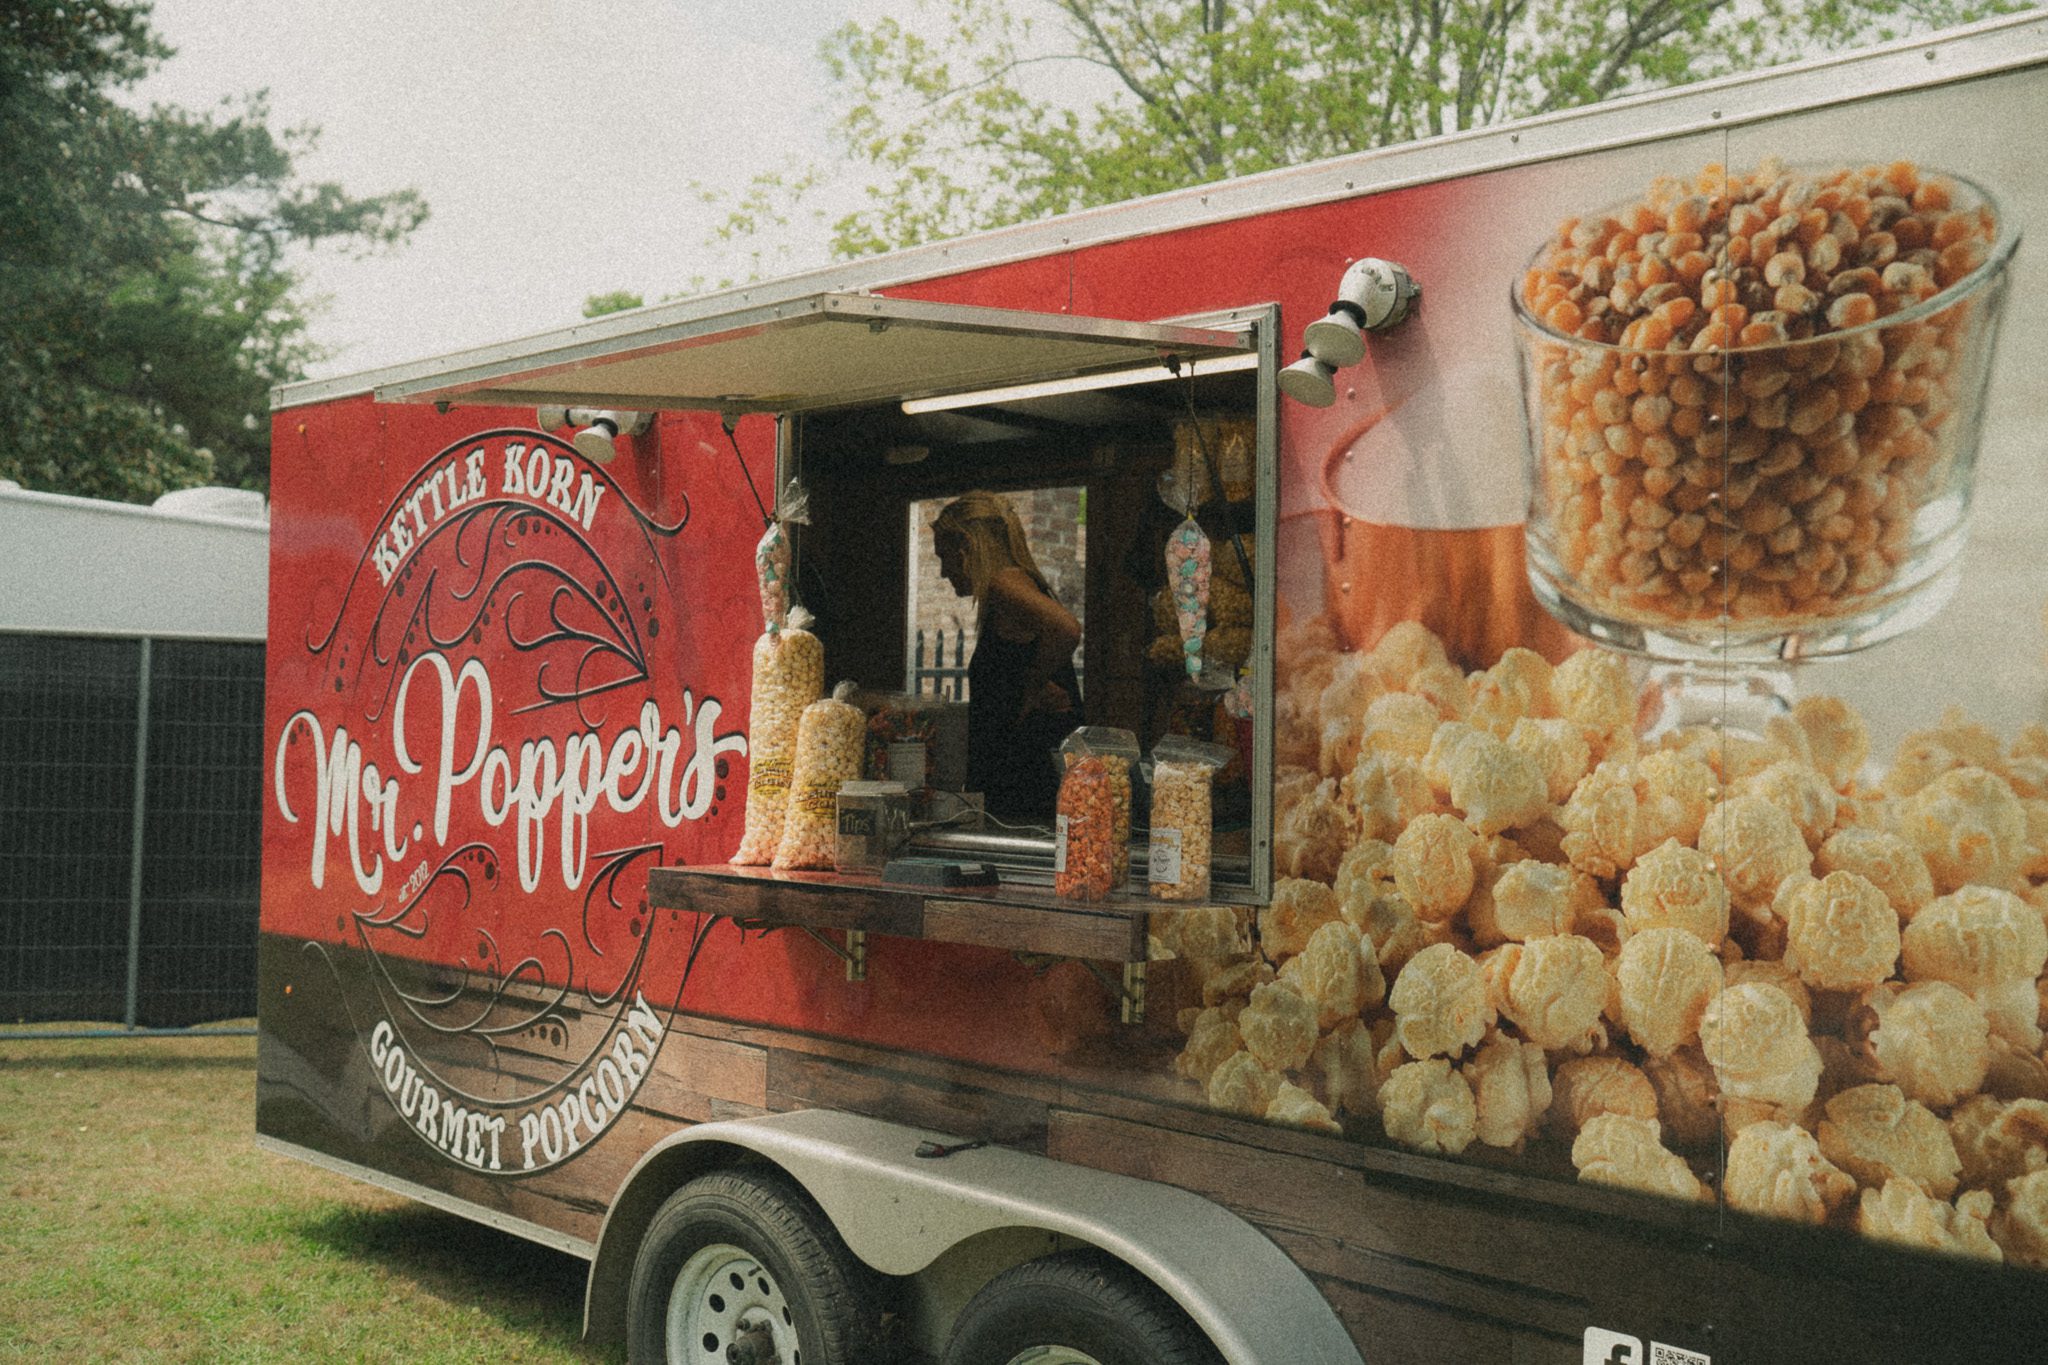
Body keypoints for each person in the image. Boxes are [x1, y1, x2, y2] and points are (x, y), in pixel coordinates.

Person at [931, 491, 1083, 822]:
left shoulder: (1004, 582)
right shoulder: (1012, 587)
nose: (944, 572)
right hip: (1024, 783)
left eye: (945, 557)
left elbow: (1067, 628)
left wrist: (1033, 682)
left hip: (1025, 789)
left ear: (967, 547)